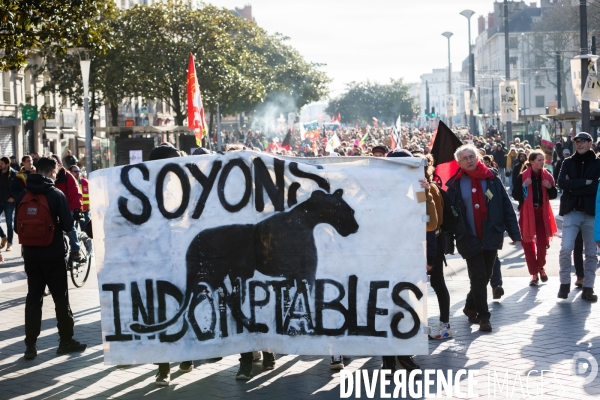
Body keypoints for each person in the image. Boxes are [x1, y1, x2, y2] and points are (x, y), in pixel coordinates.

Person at [16, 157, 87, 359]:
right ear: (52, 173)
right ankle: (65, 341)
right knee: (60, 299)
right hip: (53, 254)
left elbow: (15, 227)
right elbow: (67, 225)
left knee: (33, 298)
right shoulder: (56, 195)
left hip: (30, 255)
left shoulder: (23, 193)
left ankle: (30, 346)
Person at [446, 145, 521, 332]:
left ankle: (469, 307)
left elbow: (506, 206)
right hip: (468, 237)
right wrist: (448, 243)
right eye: (465, 158)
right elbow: (448, 217)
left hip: (490, 234)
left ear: (477, 157)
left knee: (485, 276)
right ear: (459, 162)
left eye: (472, 156)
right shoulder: (454, 184)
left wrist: (514, 233)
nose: (469, 160)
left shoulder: (491, 179)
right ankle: (484, 317)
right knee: (478, 276)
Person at [147, 142, 195, 386]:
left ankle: (186, 356)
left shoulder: (188, 186)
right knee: (161, 310)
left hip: (183, 257)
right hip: (157, 258)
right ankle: (163, 366)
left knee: (183, 306)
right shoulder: (145, 189)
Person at [560, 132, 600, 301]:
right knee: (565, 248)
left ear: (590, 143)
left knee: (591, 253)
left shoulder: (598, 163)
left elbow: (596, 188)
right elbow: (561, 183)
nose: (580, 144)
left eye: (583, 141)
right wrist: (585, 182)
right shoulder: (568, 162)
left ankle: (588, 287)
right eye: (577, 141)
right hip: (572, 211)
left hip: (591, 214)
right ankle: (564, 283)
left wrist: (573, 186)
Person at [512, 150, 558, 286]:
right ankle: (534, 274)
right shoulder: (522, 177)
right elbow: (515, 195)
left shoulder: (547, 176)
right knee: (527, 244)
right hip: (527, 214)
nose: (542, 162)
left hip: (542, 213)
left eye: (543, 160)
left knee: (543, 242)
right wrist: (523, 186)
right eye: (539, 160)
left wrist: (550, 188)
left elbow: (553, 195)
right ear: (531, 161)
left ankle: (540, 266)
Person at [0, 157, 17, 251]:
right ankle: (3, 237)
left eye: (2, 163)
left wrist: (14, 197)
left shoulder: (14, 174)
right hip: (0, 200)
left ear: (7, 164)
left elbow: (20, 188)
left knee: (9, 223)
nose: (0, 165)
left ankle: (9, 243)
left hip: (9, 202)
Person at [68, 165, 90, 231]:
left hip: (85, 211)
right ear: (70, 172)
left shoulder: (85, 182)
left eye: (78, 171)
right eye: (75, 171)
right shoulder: (68, 183)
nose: (77, 173)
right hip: (73, 211)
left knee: (86, 232)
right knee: (73, 231)